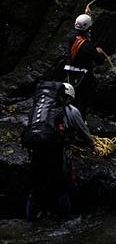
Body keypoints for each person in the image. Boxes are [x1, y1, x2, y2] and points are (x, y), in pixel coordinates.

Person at [24, 82, 95, 221]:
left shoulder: (37, 110)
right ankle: (65, 223)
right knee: (62, 188)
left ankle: (30, 221)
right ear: (68, 97)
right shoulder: (71, 110)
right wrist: (93, 145)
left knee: (34, 191)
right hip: (56, 153)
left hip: (36, 151)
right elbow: (84, 133)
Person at [65, 13, 105, 120]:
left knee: (73, 97)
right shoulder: (87, 45)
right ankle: (80, 122)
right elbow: (100, 61)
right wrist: (99, 52)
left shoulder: (71, 37)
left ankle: (71, 119)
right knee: (83, 100)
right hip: (83, 76)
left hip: (70, 73)